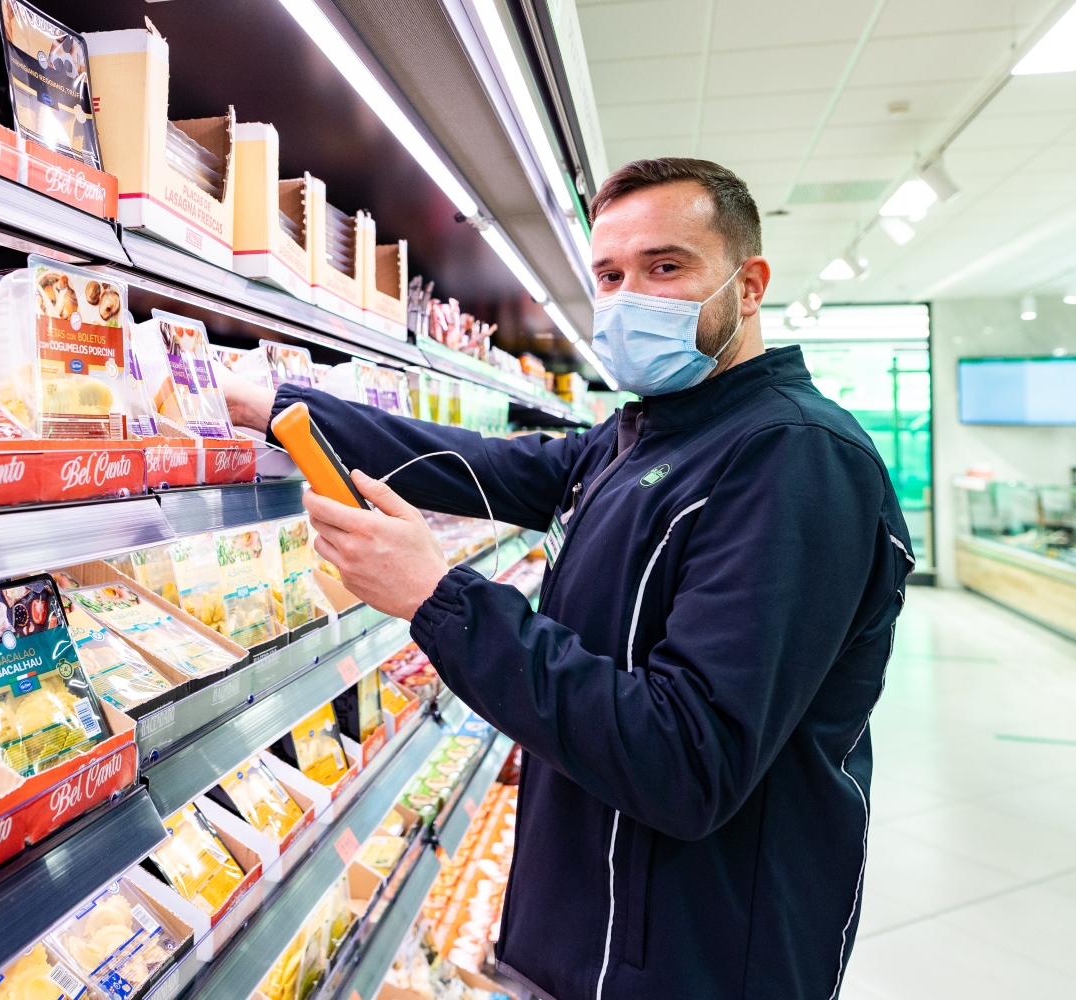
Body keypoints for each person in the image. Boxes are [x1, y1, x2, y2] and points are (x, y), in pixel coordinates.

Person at [222, 158, 913, 1000]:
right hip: (590, 932)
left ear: (751, 282)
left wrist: (440, 600)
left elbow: (688, 760)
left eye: (667, 266)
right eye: (610, 276)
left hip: (699, 959)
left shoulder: (794, 458)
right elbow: (477, 466)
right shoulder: (642, 437)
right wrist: (276, 408)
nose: (630, 300)